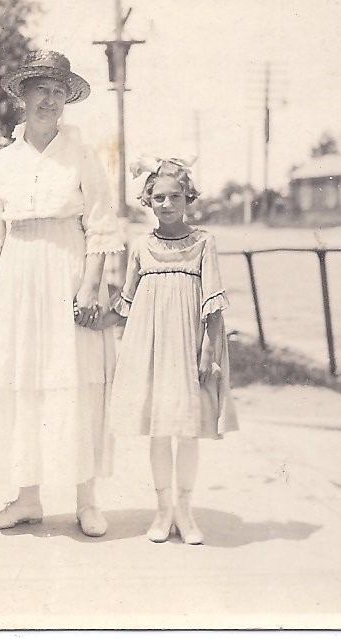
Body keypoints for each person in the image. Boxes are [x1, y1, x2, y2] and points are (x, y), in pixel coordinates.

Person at [0, 50, 123, 537]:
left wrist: (90, 287)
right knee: (23, 382)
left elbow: (101, 227)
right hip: (17, 277)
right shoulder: (0, 163)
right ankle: (26, 498)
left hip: (66, 270)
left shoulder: (82, 155)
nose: (49, 100)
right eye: (41, 89)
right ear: (23, 96)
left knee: (75, 378)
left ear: (67, 100)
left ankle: (86, 500)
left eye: (59, 92)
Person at [96, 155, 239, 544]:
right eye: (158, 197)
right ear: (148, 200)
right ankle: (163, 511)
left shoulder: (203, 243)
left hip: (190, 345)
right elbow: (125, 301)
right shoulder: (140, 246)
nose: (167, 204)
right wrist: (92, 317)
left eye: (175, 196)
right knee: (159, 430)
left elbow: (213, 304)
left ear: (188, 197)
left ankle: (186, 511)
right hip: (151, 347)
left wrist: (208, 353)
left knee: (188, 430)